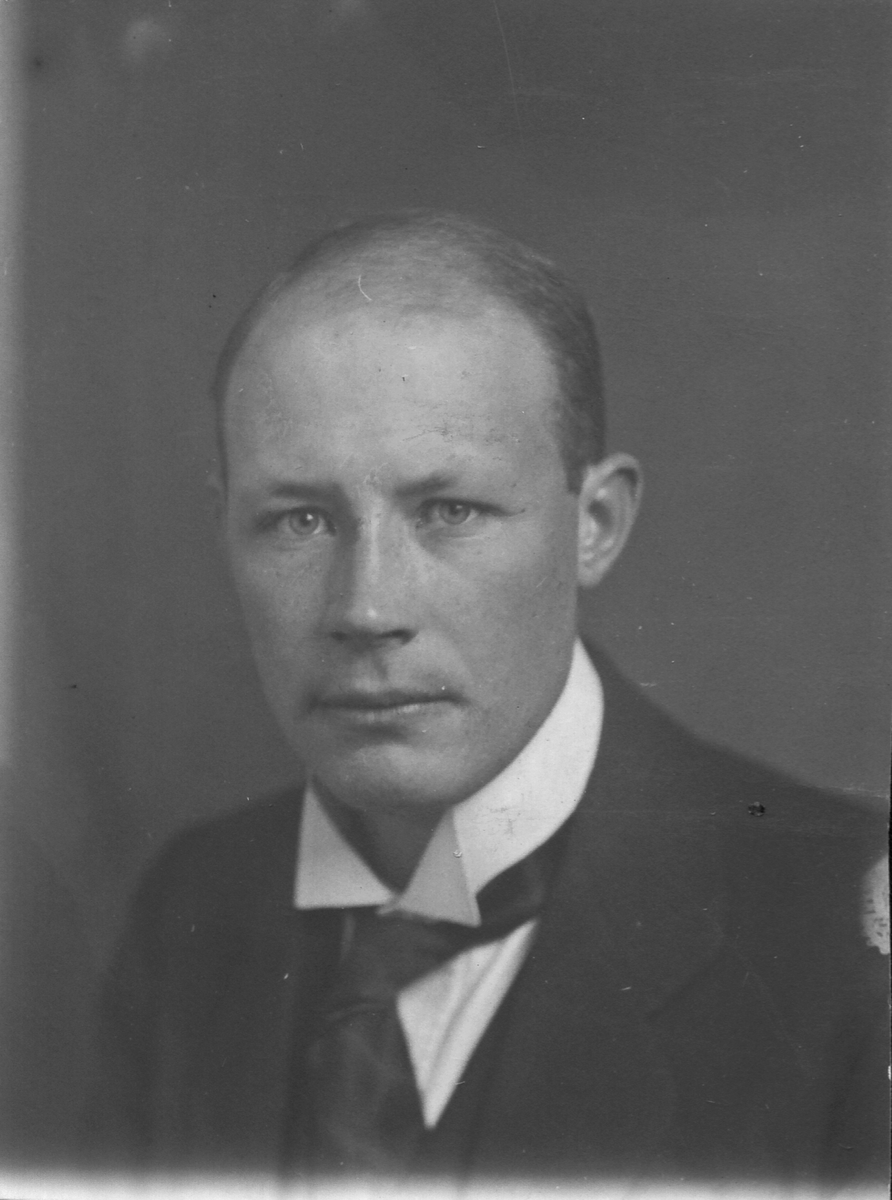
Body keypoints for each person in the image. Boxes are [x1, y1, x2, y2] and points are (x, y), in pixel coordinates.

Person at [89, 211, 889, 1191]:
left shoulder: (845, 946)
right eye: (299, 520)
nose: (367, 608)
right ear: (225, 527)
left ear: (595, 524)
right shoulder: (191, 909)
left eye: (449, 511)